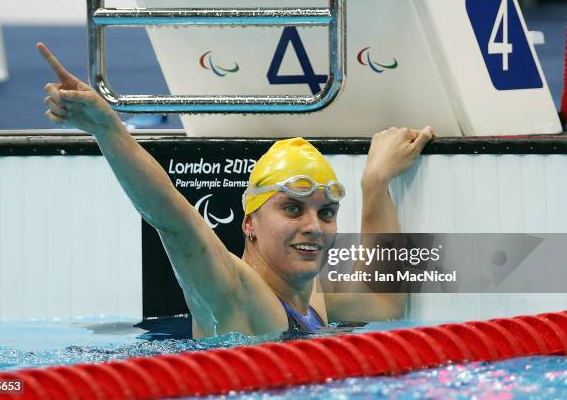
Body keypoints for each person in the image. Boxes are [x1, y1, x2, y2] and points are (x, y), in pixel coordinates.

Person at [37, 42, 435, 337]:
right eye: (293, 209)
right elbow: (173, 220)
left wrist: (376, 182)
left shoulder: (312, 295)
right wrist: (108, 130)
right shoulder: (235, 292)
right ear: (250, 223)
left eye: (326, 212)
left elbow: (385, 301)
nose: (314, 225)